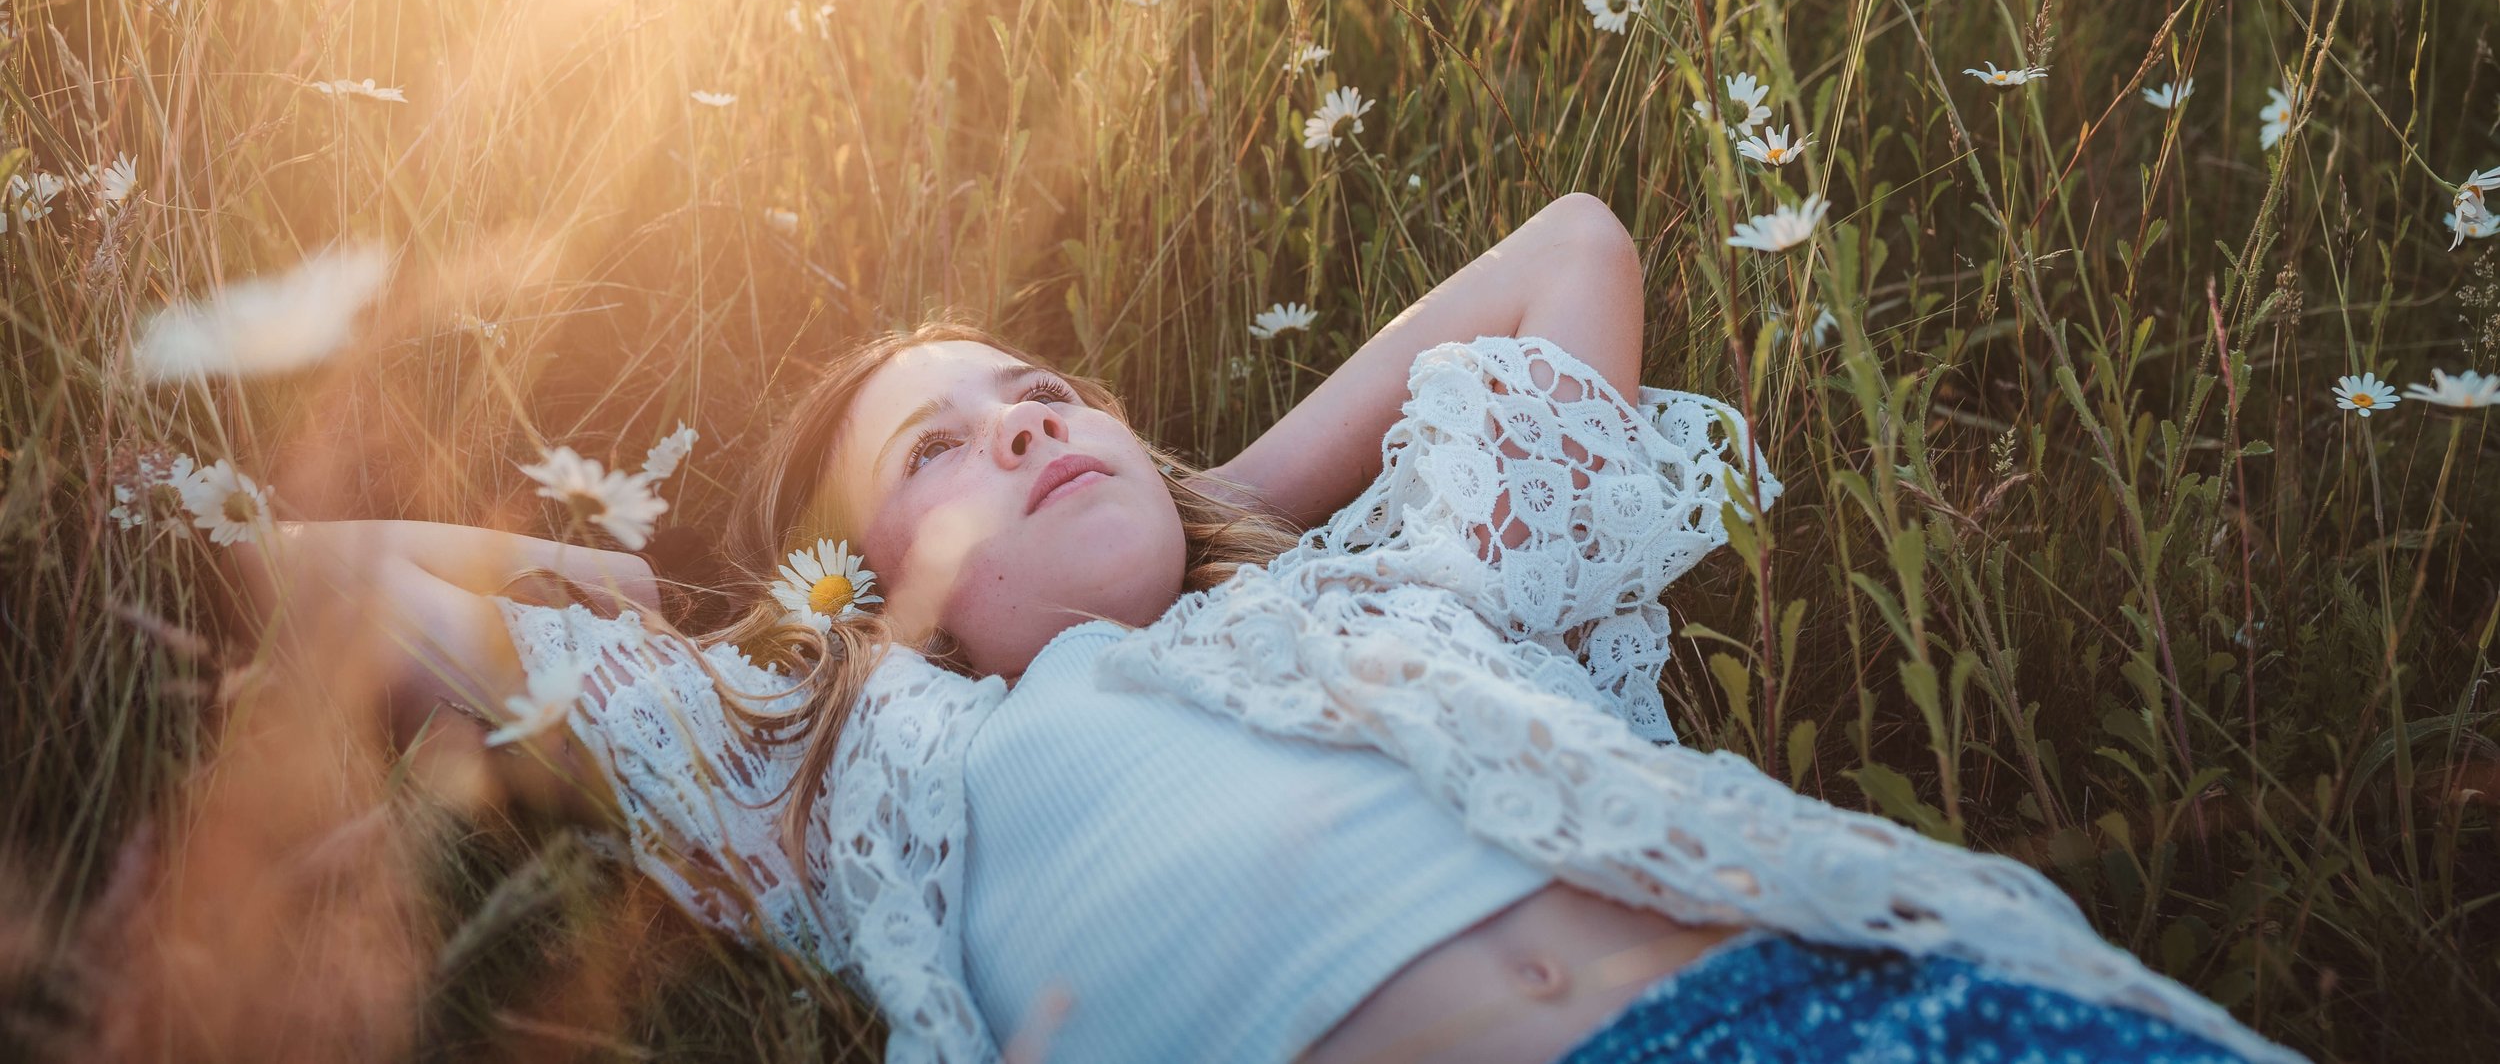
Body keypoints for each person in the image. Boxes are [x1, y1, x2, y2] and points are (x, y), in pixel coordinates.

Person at [245, 195, 2299, 1064]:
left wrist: (1223, 493)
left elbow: (1566, 254)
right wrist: (598, 589)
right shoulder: (851, 781)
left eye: (1047, 394)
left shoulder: (1400, 585)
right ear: (868, 601)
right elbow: (304, 569)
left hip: (1873, 1019)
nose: (1032, 424)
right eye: (943, 448)